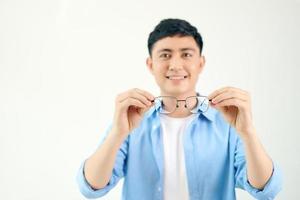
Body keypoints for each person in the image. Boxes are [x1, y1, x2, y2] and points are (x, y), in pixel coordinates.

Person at [76, 18, 282, 200]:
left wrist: (248, 132)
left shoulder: (228, 122)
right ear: (150, 64)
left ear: (201, 63)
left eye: (186, 54)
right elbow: (92, 188)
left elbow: (264, 189)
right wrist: (117, 133)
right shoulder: (129, 123)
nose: (175, 64)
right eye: (165, 55)